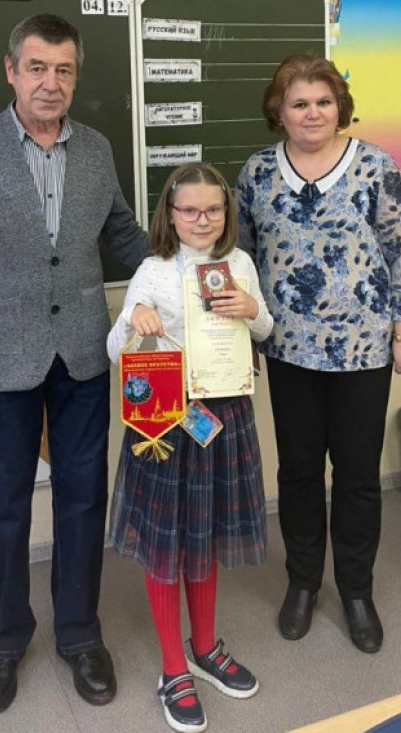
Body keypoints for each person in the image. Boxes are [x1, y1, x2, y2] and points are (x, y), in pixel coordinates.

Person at [0, 13, 149, 715]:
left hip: (82, 353)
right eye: (36, 68)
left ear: (75, 77)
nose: (50, 83)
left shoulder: (97, 149)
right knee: (4, 506)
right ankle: (2, 639)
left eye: (63, 70)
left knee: (84, 497)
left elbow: (122, 234)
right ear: (11, 71)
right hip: (0, 361)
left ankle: (80, 633)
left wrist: (193, 271)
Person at [235, 54, 401, 654]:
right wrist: (239, 340)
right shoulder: (257, 173)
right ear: (279, 111)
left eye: (323, 101)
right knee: (297, 473)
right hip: (288, 349)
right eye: (299, 103)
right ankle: (302, 583)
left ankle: (355, 590)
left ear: (339, 107)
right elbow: (240, 259)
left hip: (364, 351)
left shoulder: (375, 166)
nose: (312, 113)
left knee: (357, 475)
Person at [107, 163, 274, 733]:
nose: (202, 220)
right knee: (166, 542)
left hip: (223, 415)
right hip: (164, 421)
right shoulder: (152, 270)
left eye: (213, 210)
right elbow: (115, 349)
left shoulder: (240, 264)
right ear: (170, 215)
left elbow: (265, 330)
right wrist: (135, 318)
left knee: (203, 534)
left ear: (226, 213)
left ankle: (204, 647)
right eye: (190, 210)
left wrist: (252, 311)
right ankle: (173, 667)